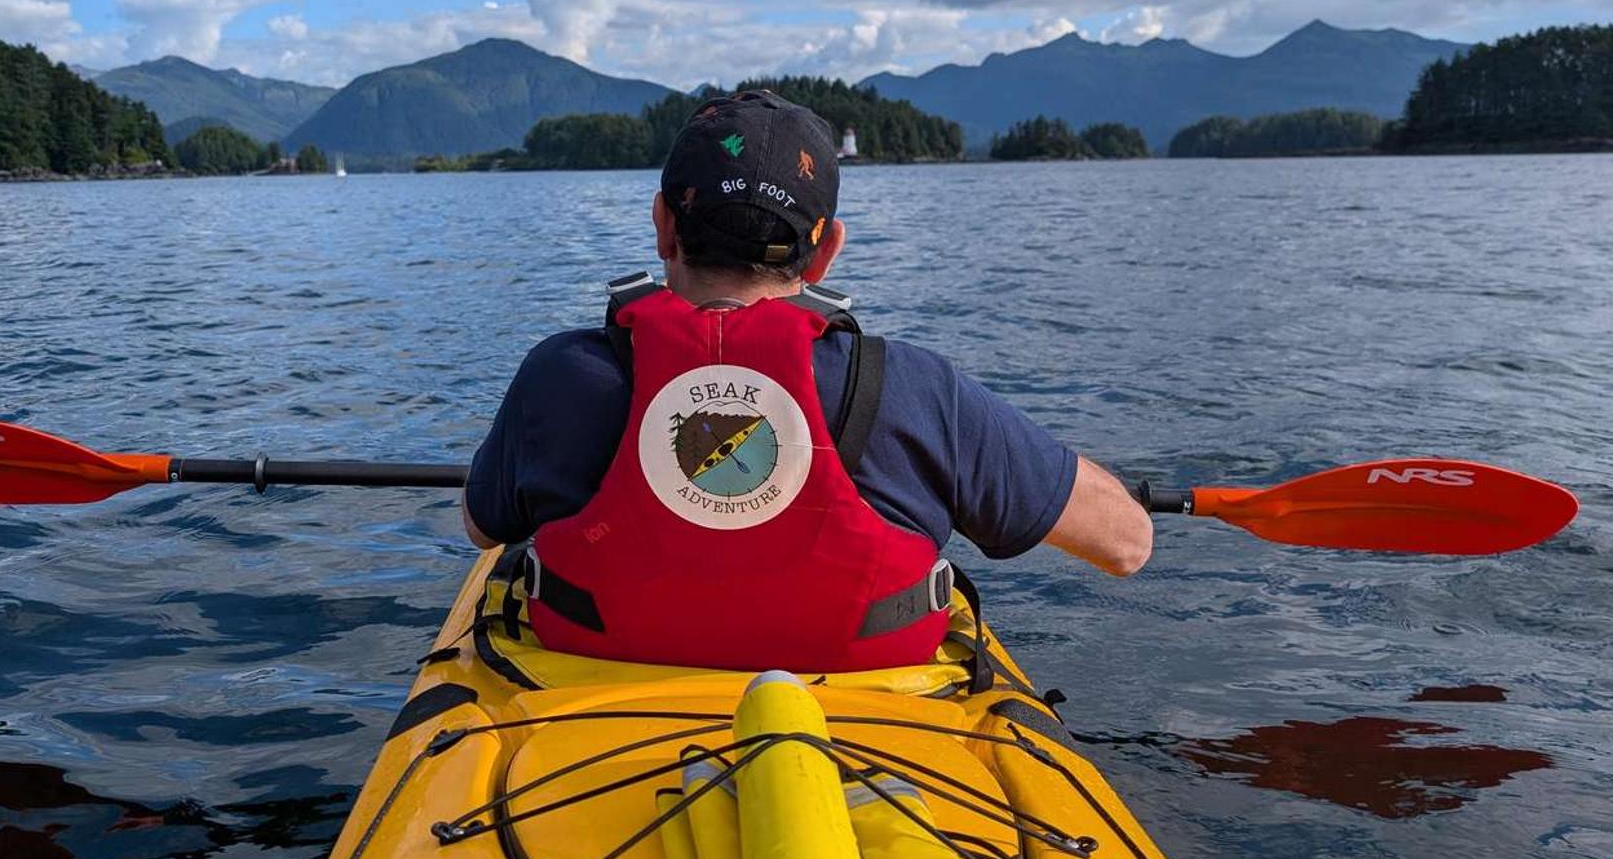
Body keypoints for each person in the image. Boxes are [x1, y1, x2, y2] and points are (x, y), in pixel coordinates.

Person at [462, 90, 1150, 673]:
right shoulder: (914, 390)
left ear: (664, 226)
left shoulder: (560, 375)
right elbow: (1126, 543)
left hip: (593, 709)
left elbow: (479, 524)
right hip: (868, 734)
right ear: (825, 251)